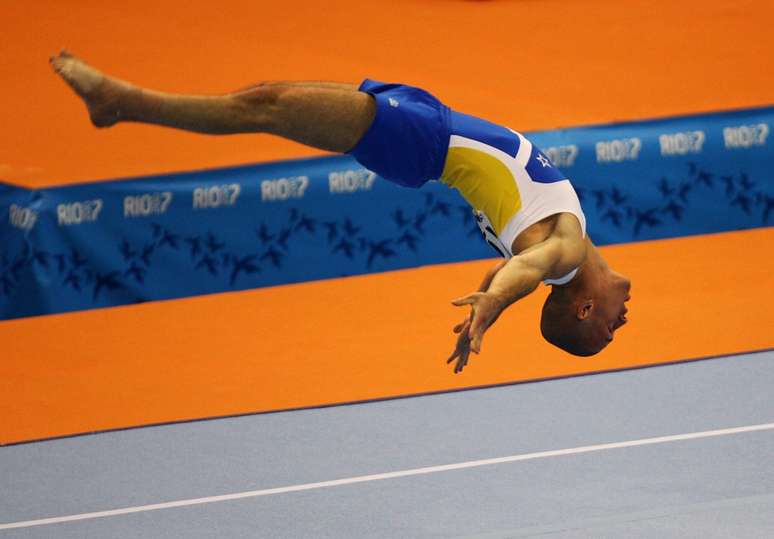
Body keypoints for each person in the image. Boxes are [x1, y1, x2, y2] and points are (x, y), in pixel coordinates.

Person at [50, 50, 631, 373]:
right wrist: (490, 300)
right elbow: (516, 268)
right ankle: (121, 103)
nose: (622, 320)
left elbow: (525, 271)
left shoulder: (566, 251)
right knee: (266, 97)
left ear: (582, 307)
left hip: (424, 139)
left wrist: (495, 300)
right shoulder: (553, 246)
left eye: (608, 329)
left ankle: (120, 103)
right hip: (429, 125)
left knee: (266, 106)